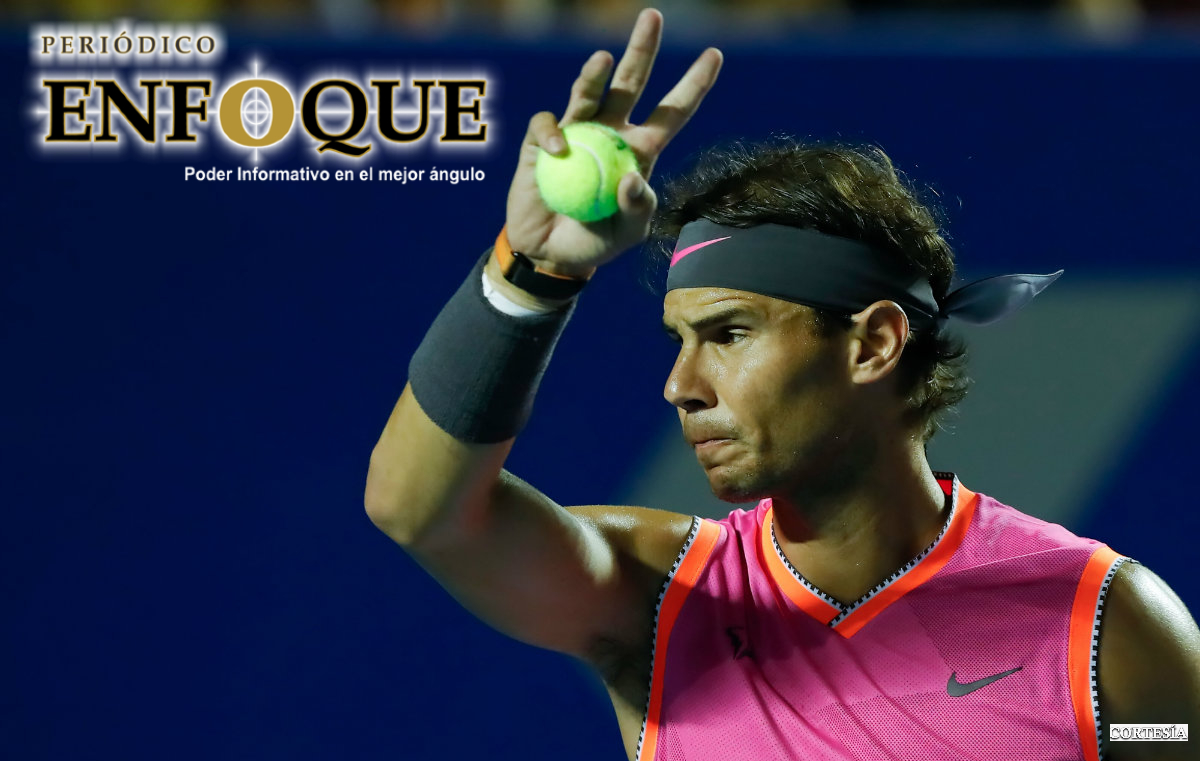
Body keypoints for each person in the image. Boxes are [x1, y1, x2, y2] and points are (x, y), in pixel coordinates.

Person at [364, 8, 1200, 760]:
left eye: (728, 334)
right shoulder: (655, 597)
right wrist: (530, 275)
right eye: (678, 340)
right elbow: (419, 507)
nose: (680, 385)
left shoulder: (1107, 627)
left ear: (873, 343)